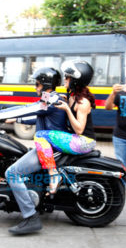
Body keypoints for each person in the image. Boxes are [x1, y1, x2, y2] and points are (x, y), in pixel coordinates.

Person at [0, 67, 67, 235]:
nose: (35, 87)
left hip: (48, 149)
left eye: (37, 84)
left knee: (12, 173)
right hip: (48, 146)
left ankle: (30, 217)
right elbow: (37, 115)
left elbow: (28, 108)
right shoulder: (54, 98)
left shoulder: (50, 99)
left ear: (45, 84)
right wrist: (13, 119)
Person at [33, 60, 96, 195]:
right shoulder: (71, 96)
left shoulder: (83, 102)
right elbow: (41, 108)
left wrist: (67, 109)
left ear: (75, 80)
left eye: (68, 77)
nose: (65, 79)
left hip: (84, 142)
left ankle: (53, 174)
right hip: (78, 140)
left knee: (40, 135)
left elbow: (79, 129)